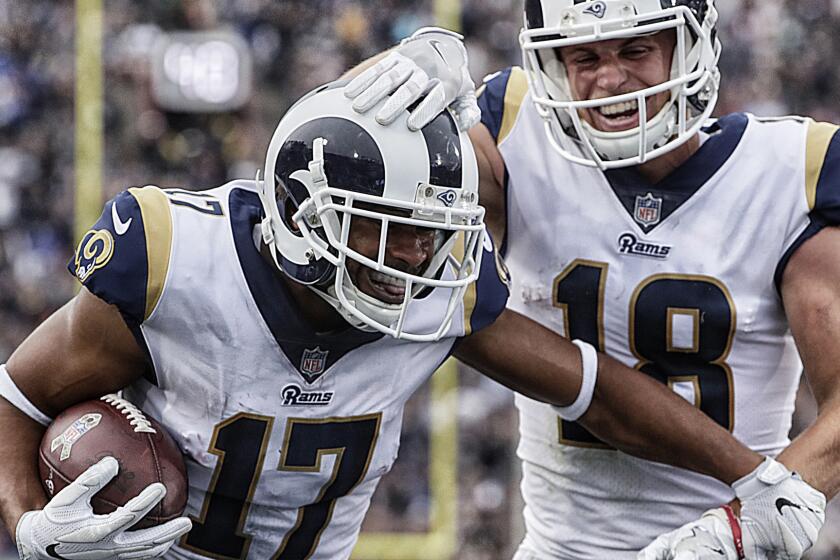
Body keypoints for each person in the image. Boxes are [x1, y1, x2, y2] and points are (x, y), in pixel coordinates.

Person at [0, 81, 795, 560]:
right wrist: (30, 525)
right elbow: (15, 400)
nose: (416, 254)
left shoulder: (433, 299)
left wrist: (755, 476)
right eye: (390, 226)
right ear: (305, 215)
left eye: (432, 229)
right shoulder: (174, 262)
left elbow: (595, 389)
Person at [342, 1, 839, 558]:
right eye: (584, 56)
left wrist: (747, 522)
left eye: (635, 50)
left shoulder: (794, 172)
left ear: (690, 45)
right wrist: (399, 73)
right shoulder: (512, 129)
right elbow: (362, 171)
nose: (609, 78)